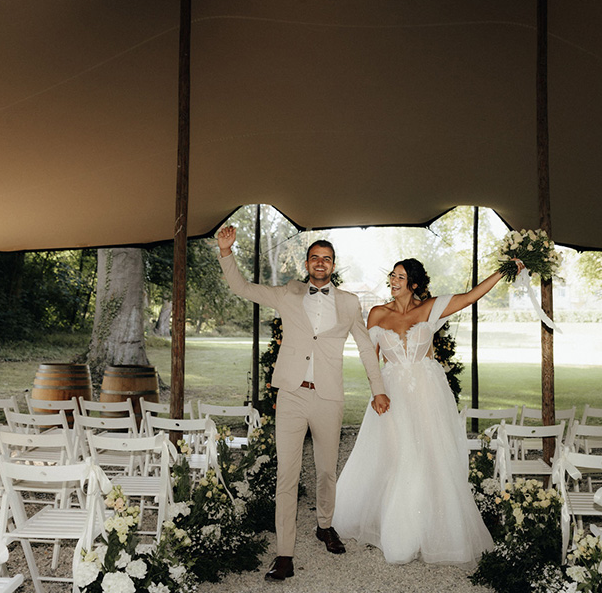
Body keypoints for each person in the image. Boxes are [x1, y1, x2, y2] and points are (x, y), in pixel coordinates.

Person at [216, 226, 387, 582]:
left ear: (333, 264)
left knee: (326, 470)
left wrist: (379, 389)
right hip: (291, 394)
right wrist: (226, 252)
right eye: (315, 257)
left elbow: (365, 348)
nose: (320, 263)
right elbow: (242, 288)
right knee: (287, 475)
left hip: (328, 397)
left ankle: (325, 525)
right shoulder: (289, 293)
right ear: (307, 262)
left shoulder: (349, 302)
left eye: (326, 258)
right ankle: (284, 553)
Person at [333, 257, 511, 566]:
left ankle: (431, 531)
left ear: (413, 284)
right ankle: (398, 533)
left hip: (427, 394)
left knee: (429, 457)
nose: (393, 280)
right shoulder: (377, 313)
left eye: (400, 277)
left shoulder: (429, 308)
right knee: (397, 456)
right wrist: (377, 392)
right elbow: (369, 356)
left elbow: (470, 296)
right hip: (390, 394)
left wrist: (504, 271)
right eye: (392, 275)